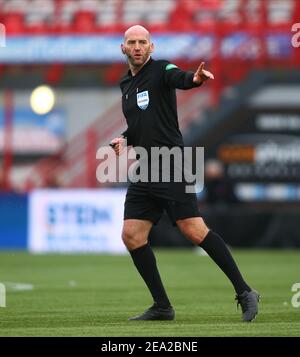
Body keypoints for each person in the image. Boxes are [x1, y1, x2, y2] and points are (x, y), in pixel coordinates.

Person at [110, 25, 259, 322]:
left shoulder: (162, 69)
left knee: (194, 230)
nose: (138, 47)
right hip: (146, 168)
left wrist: (195, 78)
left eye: (143, 42)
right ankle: (162, 306)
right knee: (131, 235)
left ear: (151, 47)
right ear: (123, 48)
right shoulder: (126, 84)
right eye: (132, 42)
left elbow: (181, 77)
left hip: (171, 164)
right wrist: (125, 138)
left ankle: (245, 292)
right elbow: (143, 122)